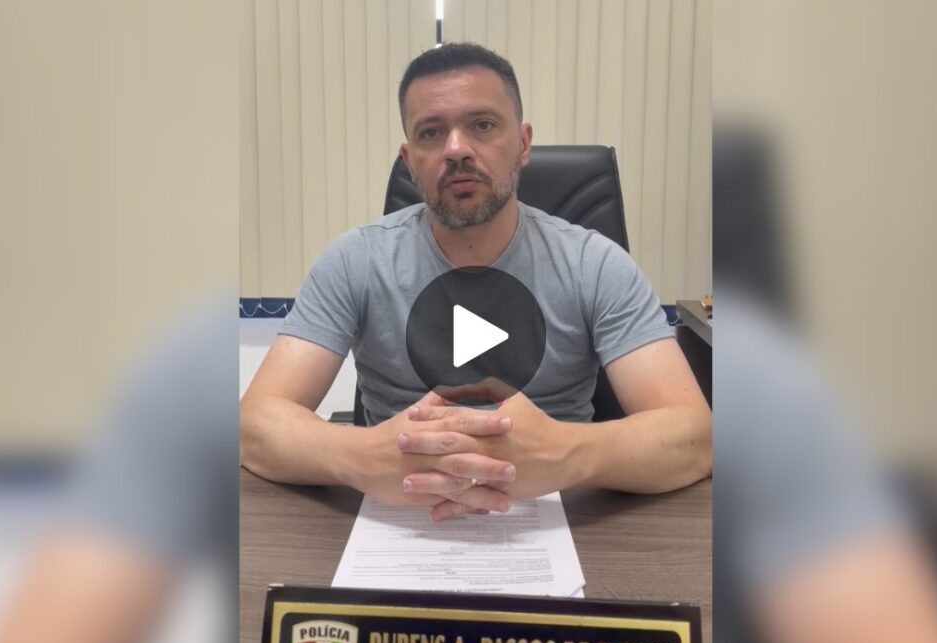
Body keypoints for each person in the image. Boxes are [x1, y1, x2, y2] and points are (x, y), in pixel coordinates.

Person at [239, 43, 712, 522]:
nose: (456, 149)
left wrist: (562, 453)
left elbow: (695, 436)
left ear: (523, 144)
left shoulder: (595, 264)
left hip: (557, 522)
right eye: (431, 132)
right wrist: (365, 457)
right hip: (397, 519)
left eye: (482, 125)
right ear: (409, 160)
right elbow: (253, 425)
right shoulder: (355, 261)